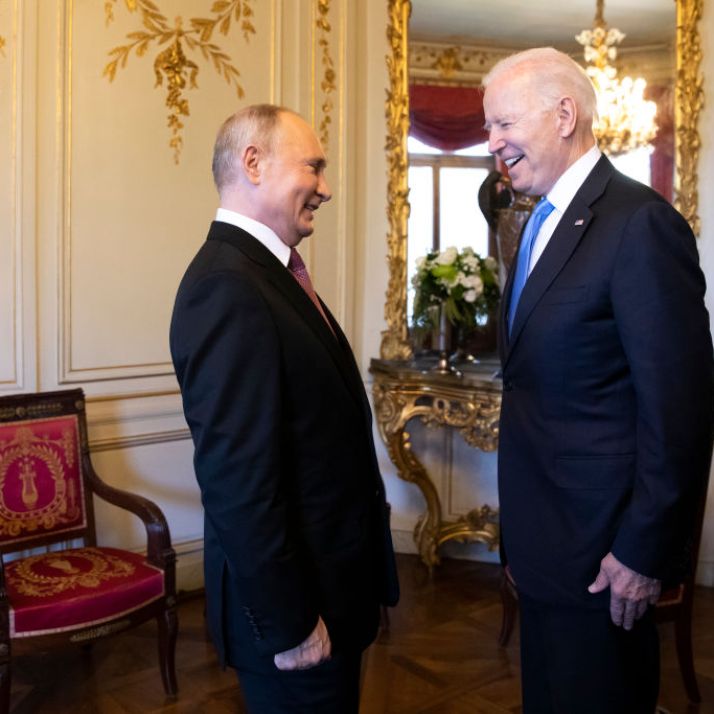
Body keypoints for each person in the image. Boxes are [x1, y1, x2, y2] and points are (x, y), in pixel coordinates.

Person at [483, 47, 714, 713]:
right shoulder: (538, 221)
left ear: (564, 115)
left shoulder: (639, 223)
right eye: (488, 126)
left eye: (504, 123)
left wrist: (643, 552)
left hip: (605, 556)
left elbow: (680, 409)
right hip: (544, 544)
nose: (492, 142)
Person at [170, 104, 399, 713]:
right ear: (253, 163)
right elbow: (238, 482)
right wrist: (291, 621)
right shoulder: (227, 286)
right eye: (313, 167)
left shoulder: (265, 275)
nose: (325, 187)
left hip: (331, 592)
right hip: (297, 619)